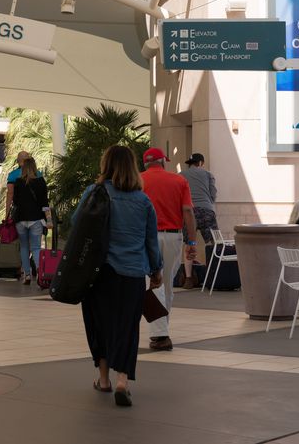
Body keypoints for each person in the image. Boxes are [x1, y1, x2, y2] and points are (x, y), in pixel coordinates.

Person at [76, 145, 163, 408]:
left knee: (99, 324)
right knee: (126, 327)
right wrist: (156, 270)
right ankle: (123, 380)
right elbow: (151, 241)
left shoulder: (95, 193)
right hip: (132, 273)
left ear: (106, 165)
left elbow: (77, 221)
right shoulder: (143, 200)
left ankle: (103, 379)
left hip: (99, 273)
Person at [142, 148, 196, 351]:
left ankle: (160, 333)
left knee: (153, 283)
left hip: (147, 238)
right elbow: (188, 211)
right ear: (163, 162)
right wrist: (192, 243)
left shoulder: (138, 181)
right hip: (173, 236)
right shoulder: (179, 181)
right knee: (166, 285)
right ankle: (162, 331)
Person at [180, 152, 217, 288]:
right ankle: (213, 276)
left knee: (189, 244)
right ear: (201, 163)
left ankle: (188, 278)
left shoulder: (181, 176)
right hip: (206, 210)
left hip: (188, 212)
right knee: (213, 243)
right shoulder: (208, 174)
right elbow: (213, 195)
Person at [12, 156, 50, 284]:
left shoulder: (18, 182)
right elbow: (45, 203)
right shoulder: (40, 182)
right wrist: (48, 219)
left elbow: (15, 201)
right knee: (36, 248)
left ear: (23, 168)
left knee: (24, 247)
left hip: (21, 220)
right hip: (36, 219)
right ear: (34, 167)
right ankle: (40, 273)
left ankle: (27, 275)